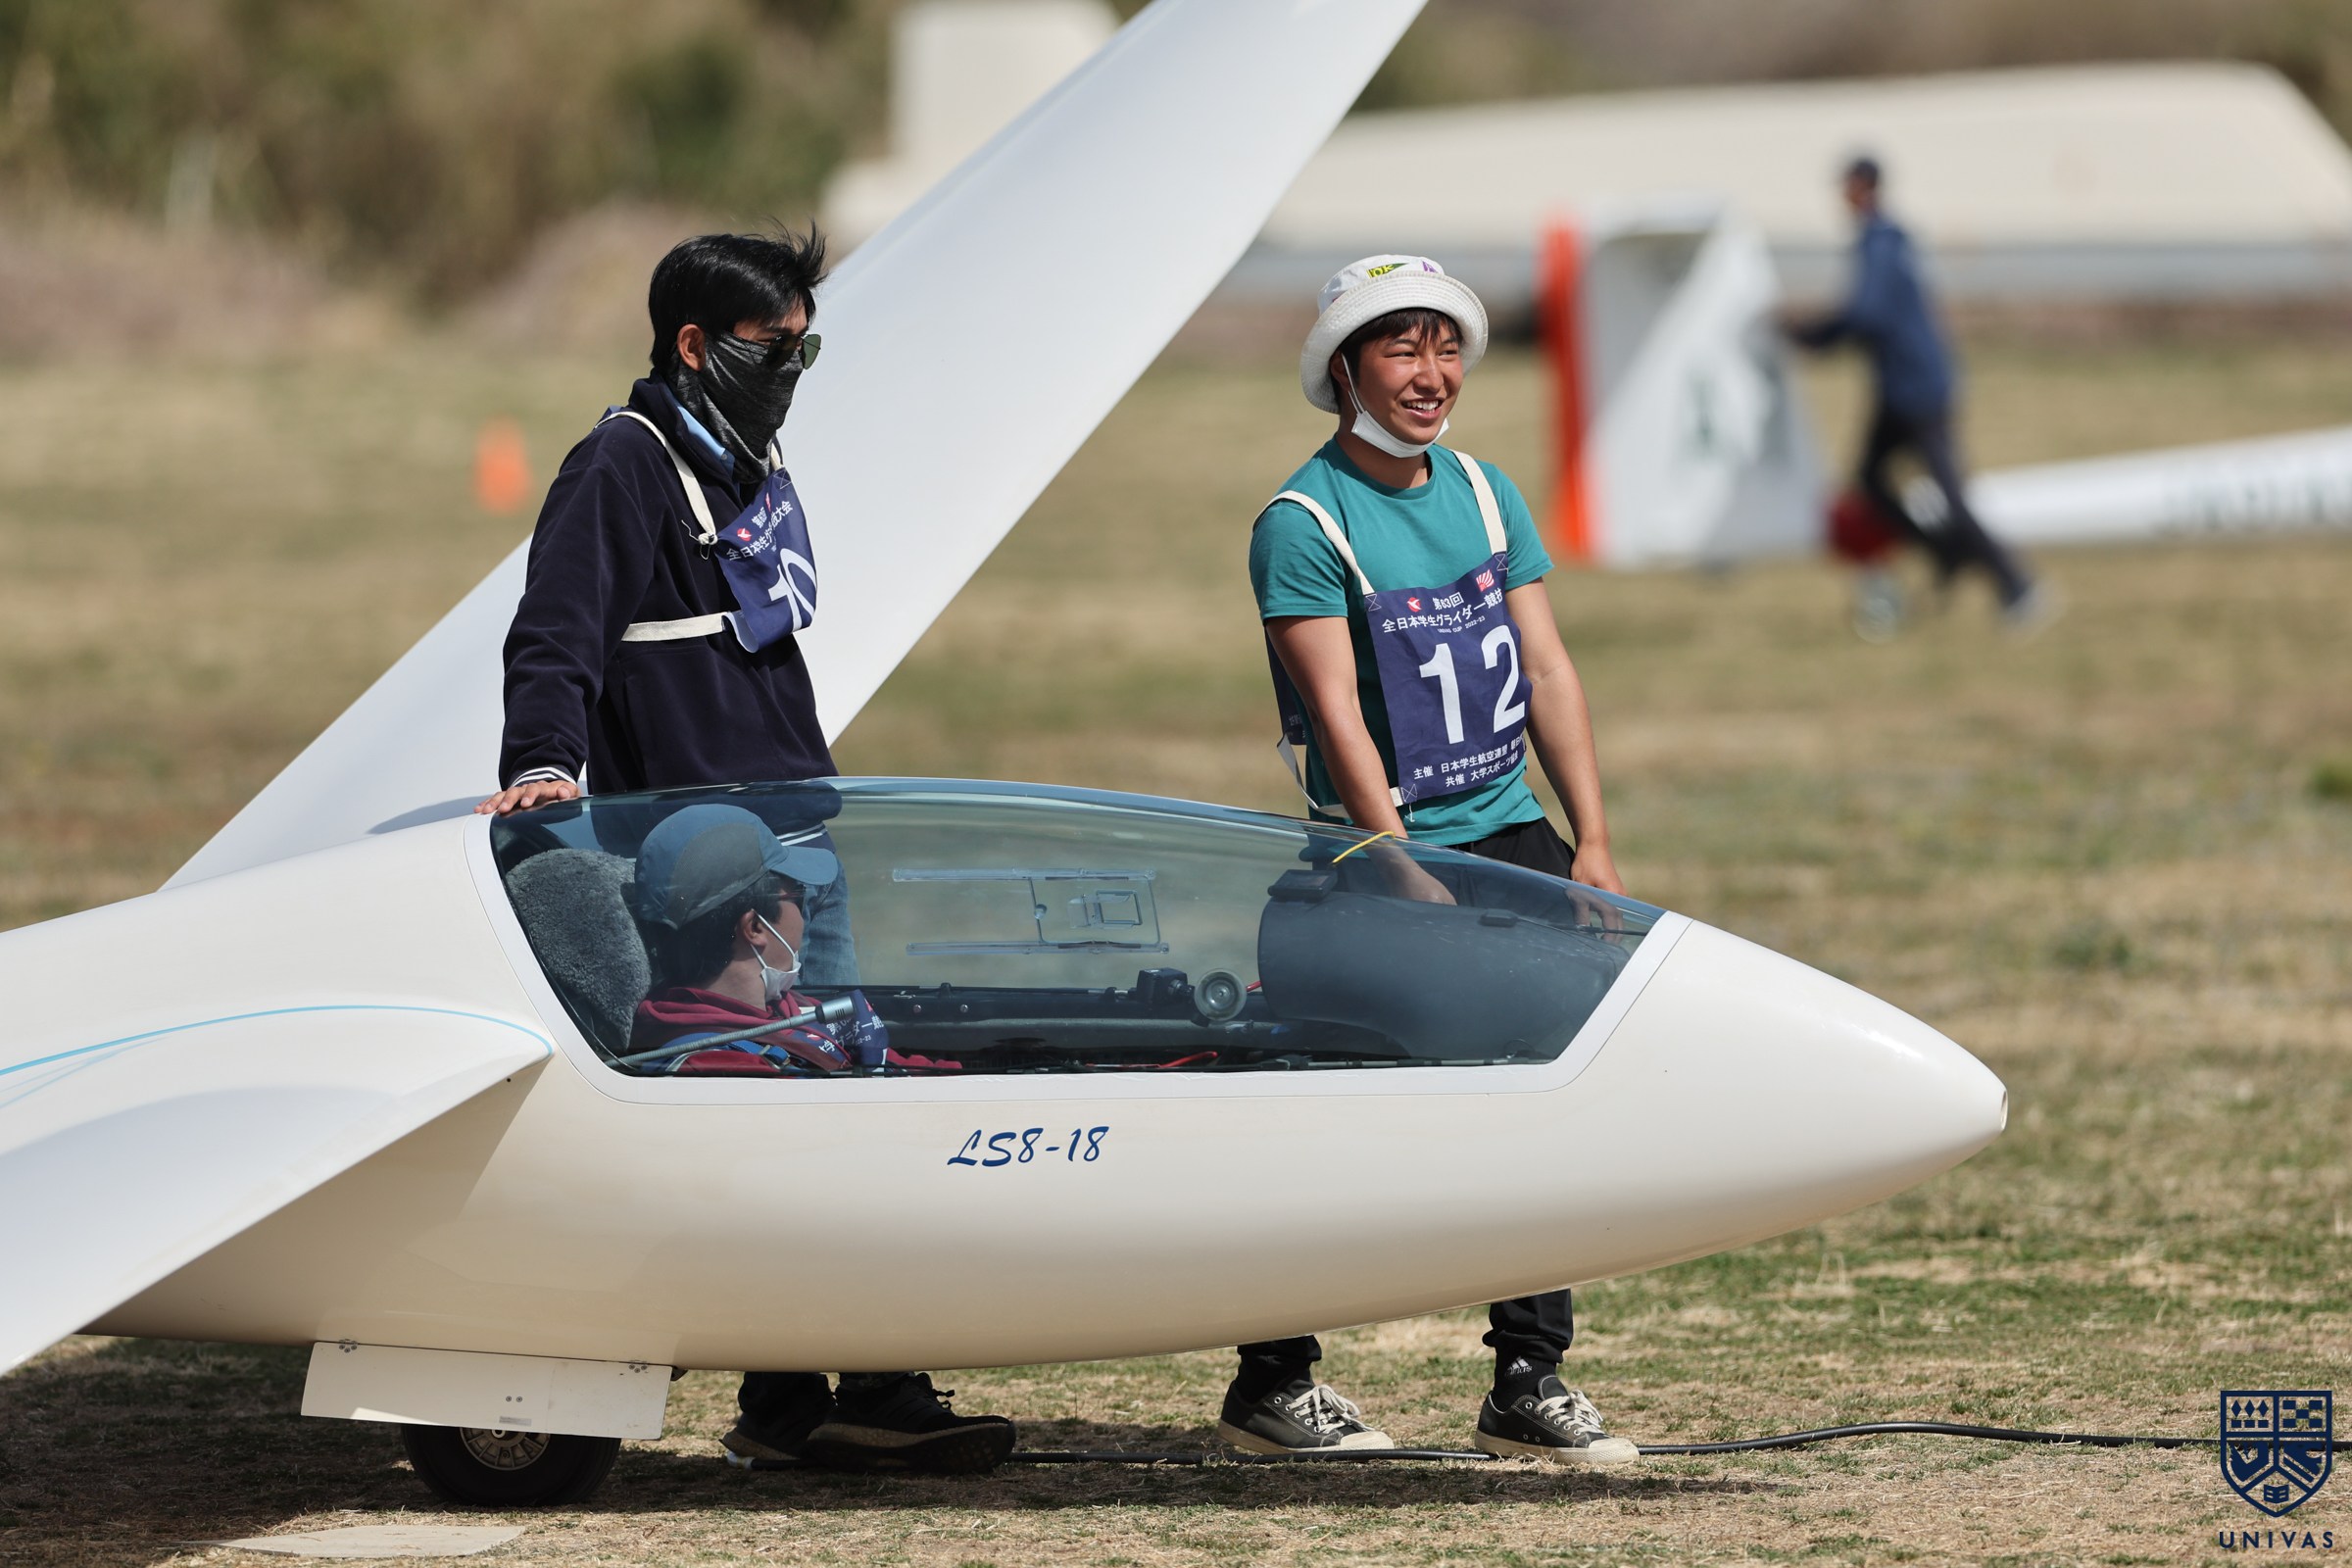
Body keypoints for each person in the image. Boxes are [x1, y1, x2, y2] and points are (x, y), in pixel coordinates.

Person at [473, 230, 1012, 1473]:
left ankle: (801, 1390)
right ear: (693, 344)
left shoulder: (745, 459)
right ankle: (856, 1382)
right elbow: (553, 631)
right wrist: (546, 765)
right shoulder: (624, 462)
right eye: (775, 350)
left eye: (805, 350)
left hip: (797, 835)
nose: (792, 374)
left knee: (837, 1090)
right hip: (712, 859)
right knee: (796, 1116)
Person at [1232, 254, 1637, 1467]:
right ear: (1344, 370)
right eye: (1402, 347)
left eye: (1446, 345)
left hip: (1517, 841)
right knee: (1327, 1119)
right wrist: (1400, 863)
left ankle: (1528, 1375)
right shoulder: (1302, 524)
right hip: (1375, 857)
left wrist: (1591, 839)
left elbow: (1547, 668)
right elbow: (1338, 713)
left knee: (1546, 1104)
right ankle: (1272, 1379)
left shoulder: (1486, 491)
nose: (1431, 373)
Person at [623, 805, 1015, 1475]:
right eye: (795, 898)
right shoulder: (711, 1059)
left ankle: (783, 1408)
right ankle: (874, 1394)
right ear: (755, 927)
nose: (805, 913)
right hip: (759, 1253)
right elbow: (819, 1183)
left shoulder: (774, 1019)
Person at [1785, 155, 2053, 632]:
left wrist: (1810, 336)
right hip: (1903, 390)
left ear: (1864, 188)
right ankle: (1946, 553)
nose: (1841, 197)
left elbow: (1866, 314)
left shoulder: (1879, 242)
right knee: (1870, 483)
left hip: (1915, 391)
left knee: (1949, 496)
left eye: (1846, 187)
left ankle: (2018, 585)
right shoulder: (1889, 239)